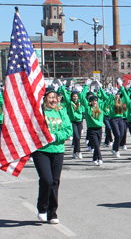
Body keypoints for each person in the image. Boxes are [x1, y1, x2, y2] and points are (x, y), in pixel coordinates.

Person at [33, 86, 72, 224]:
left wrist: (56, 136)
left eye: (55, 97)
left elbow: (68, 129)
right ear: (44, 99)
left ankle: (52, 213)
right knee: (47, 180)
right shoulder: (38, 111)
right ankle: (42, 208)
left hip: (58, 150)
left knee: (55, 182)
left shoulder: (61, 111)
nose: (53, 100)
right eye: (50, 97)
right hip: (41, 151)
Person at [58, 83, 84, 159]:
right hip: (73, 122)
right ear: (72, 97)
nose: (75, 98)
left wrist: (82, 89)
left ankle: (74, 152)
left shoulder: (80, 103)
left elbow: (83, 96)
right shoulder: (70, 103)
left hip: (79, 122)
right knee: (77, 137)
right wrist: (62, 86)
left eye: (76, 96)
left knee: (78, 138)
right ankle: (79, 152)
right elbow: (65, 95)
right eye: (74, 96)